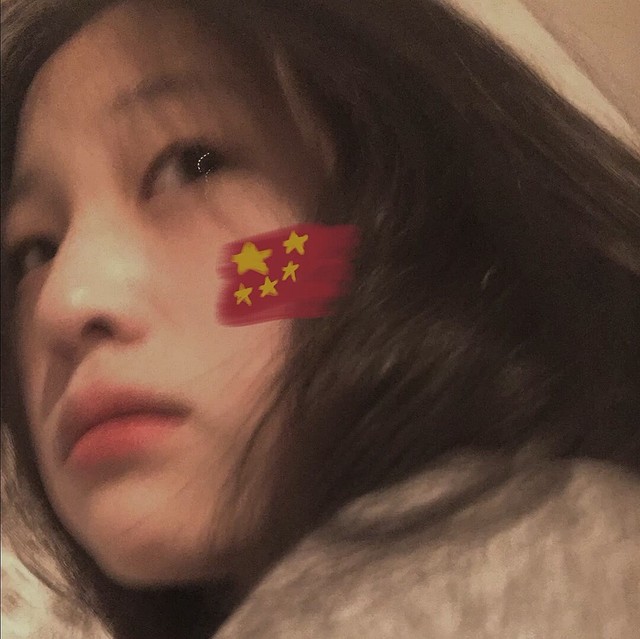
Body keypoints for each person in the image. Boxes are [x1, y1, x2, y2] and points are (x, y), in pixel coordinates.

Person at [1, 1, 639, 638]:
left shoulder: (530, 555)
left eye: (194, 164)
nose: (64, 300)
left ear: (413, 212)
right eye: (34, 249)